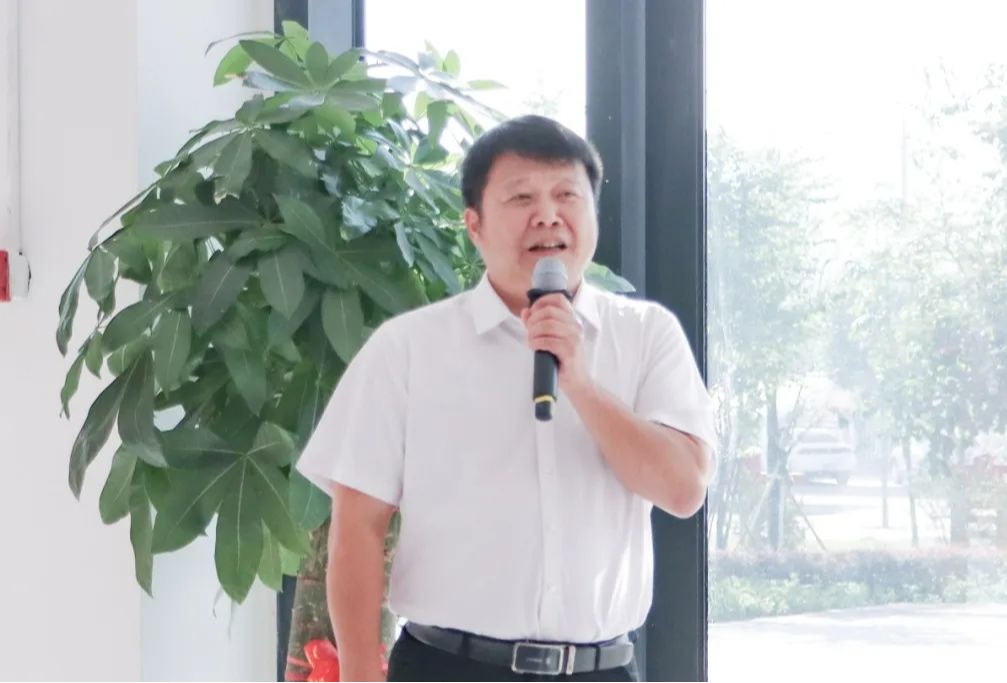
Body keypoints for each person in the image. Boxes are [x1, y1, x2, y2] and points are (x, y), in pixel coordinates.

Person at [296, 114, 716, 682]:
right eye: (522, 197)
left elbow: (683, 489)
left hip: (601, 669)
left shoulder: (647, 336)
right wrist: (360, 674)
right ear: (474, 225)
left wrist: (581, 384)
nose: (548, 215)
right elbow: (358, 527)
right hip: (447, 667)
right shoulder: (408, 348)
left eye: (567, 195)